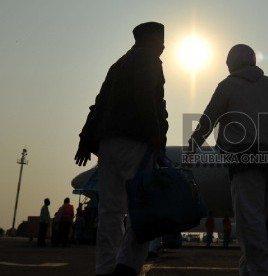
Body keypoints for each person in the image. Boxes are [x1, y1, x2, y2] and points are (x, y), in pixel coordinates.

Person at [188, 44, 268, 276]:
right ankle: (248, 270)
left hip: (247, 161)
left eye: (228, 62)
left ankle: (260, 271)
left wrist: (192, 145)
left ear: (233, 62)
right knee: (258, 220)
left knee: (250, 221)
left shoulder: (228, 85)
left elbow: (209, 119)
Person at [74, 22, 169, 276]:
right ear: (150, 40)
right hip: (136, 142)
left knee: (110, 210)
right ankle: (127, 266)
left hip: (107, 144)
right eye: (161, 40)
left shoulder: (117, 65)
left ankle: (105, 268)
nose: (163, 45)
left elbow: (99, 104)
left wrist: (85, 140)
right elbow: (148, 99)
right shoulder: (149, 60)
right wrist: (157, 136)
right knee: (144, 207)